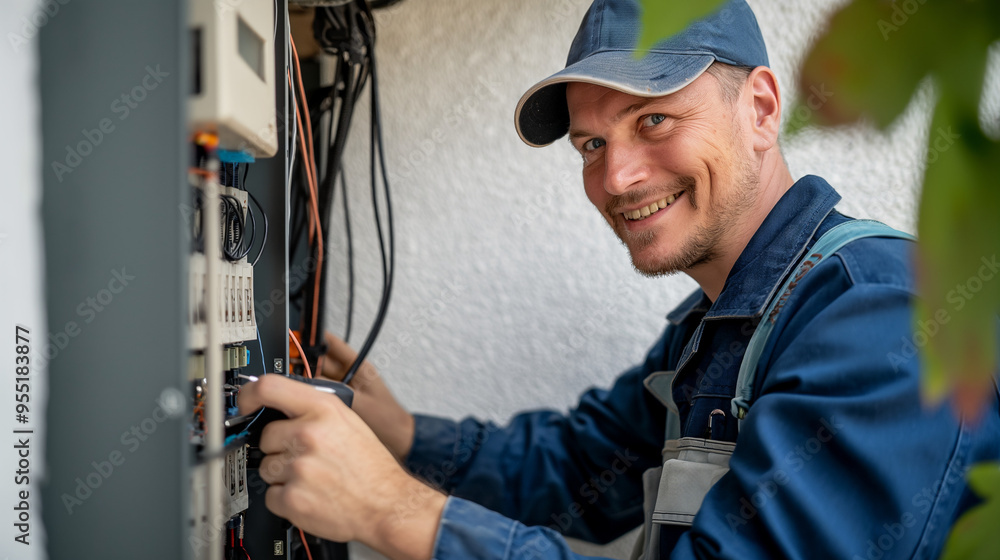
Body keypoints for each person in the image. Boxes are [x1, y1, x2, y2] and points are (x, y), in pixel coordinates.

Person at [237, 1, 1000, 558]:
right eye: (591, 143)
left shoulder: (881, 312)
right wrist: (401, 434)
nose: (618, 176)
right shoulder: (721, 325)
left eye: (654, 121)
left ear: (761, 109)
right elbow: (580, 469)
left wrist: (394, 512)